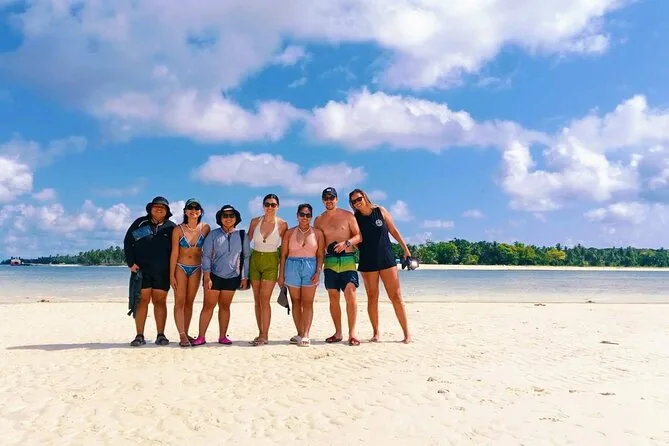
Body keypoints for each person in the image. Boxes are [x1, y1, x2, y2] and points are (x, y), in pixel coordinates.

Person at [348, 189, 412, 343]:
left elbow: (393, 230)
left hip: (386, 258)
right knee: (372, 297)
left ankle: (407, 334)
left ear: (365, 197)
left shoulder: (380, 211)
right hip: (368, 261)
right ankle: (376, 333)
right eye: (353, 201)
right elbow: (355, 238)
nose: (357, 203)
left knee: (396, 296)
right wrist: (363, 250)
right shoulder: (355, 218)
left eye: (359, 199)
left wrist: (405, 249)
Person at [192, 205, 250, 346]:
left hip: (233, 276)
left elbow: (246, 257)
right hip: (214, 275)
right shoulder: (213, 235)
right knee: (208, 306)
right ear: (220, 218)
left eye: (231, 216)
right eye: (225, 216)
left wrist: (244, 277)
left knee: (225, 306)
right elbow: (206, 256)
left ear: (236, 218)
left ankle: (223, 336)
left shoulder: (242, 235)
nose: (228, 218)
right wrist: (207, 276)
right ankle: (201, 336)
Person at [123, 196, 176, 347]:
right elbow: (128, 242)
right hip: (141, 271)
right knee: (142, 301)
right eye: (156, 206)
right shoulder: (140, 223)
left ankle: (161, 335)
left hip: (162, 272)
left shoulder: (171, 227)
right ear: (150, 209)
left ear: (167, 211)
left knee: (160, 302)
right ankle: (139, 335)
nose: (159, 209)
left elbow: (177, 250)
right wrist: (130, 263)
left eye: (162, 207)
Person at [313, 187, 363, 346]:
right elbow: (319, 246)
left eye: (331, 198)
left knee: (350, 293)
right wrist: (317, 269)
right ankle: (338, 332)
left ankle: (352, 334)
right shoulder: (318, 220)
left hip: (347, 259)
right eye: (326, 198)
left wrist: (346, 243)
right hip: (330, 261)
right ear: (323, 200)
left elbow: (359, 236)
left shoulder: (348, 215)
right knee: (333, 298)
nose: (329, 201)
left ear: (336, 199)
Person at [278, 203, 324, 347]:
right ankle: (299, 333)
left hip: (310, 266)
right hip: (292, 266)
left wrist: (318, 271)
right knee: (296, 301)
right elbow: (283, 255)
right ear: (297, 215)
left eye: (308, 215)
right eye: (302, 214)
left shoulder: (317, 233)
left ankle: (306, 334)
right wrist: (281, 275)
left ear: (311, 216)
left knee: (308, 302)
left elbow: (320, 255)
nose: (305, 217)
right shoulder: (289, 233)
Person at [247, 194, 288, 346]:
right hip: (255, 259)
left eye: (273, 205)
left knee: (265, 299)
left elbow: (284, 251)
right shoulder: (255, 221)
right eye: (267, 204)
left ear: (278, 206)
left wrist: (282, 273)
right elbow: (246, 242)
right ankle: (260, 333)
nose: (270, 207)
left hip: (271, 261)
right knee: (257, 300)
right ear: (263, 206)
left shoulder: (282, 224)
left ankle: (265, 335)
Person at [169, 199, 211, 347]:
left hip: (197, 268)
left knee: (189, 302)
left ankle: (185, 332)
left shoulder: (205, 228)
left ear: (200, 211)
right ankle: (181, 335)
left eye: (196, 208)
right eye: (190, 208)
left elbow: (209, 251)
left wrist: (208, 273)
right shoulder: (178, 229)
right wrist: (171, 275)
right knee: (179, 301)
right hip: (180, 267)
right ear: (185, 211)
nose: (193, 211)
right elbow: (174, 253)